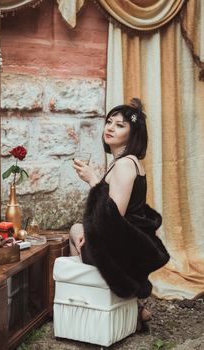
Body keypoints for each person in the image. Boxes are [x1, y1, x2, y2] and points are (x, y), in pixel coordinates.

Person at [69, 98, 161, 331]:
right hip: (126, 245)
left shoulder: (124, 165)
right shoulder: (125, 162)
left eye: (120, 125)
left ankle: (93, 299)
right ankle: (132, 305)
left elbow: (112, 217)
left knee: (75, 230)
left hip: (120, 253)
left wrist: (92, 180)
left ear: (133, 135)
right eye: (109, 122)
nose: (110, 127)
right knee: (81, 229)